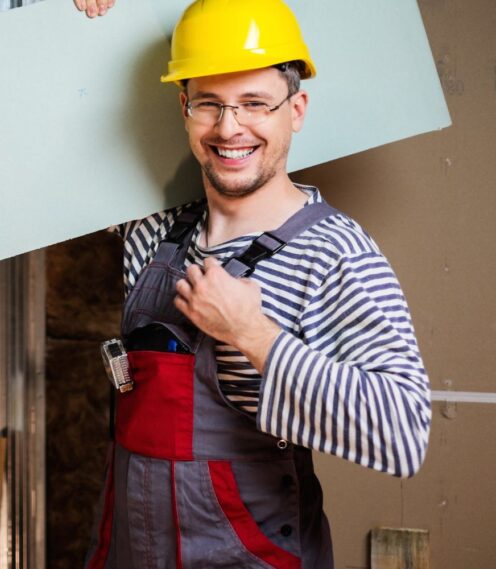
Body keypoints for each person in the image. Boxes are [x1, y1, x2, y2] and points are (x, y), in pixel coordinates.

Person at [78, 1, 432, 567]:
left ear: (297, 110)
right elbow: (50, 138)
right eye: (209, 104)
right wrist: (93, 11)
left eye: (254, 105)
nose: (229, 128)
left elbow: (402, 434)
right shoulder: (149, 235)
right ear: (183, 107)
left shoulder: (334, 253)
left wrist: (253, 334)